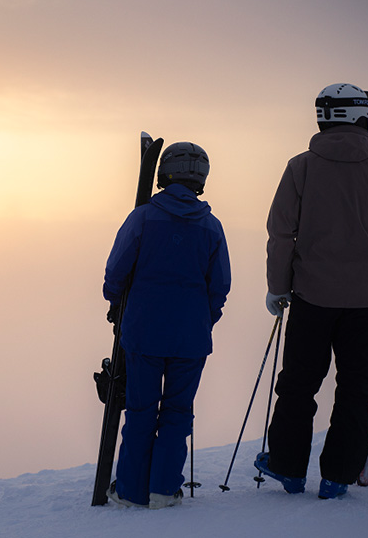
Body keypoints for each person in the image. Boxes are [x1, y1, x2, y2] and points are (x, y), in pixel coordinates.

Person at [255, 83, 368, 499]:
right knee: (355, 387)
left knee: (299, 383)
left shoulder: (301, 167)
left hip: (311, 297)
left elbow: (281, 235)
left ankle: (289, 469)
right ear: (360, 115)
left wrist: (278, 289)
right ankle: (337, 477)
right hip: (367, 300)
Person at [102, 141, 231, 509]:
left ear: (164, 173)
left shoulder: (142, 218)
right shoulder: (211, 226)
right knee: (177, 411)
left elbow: (116, 271)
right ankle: (162, 490)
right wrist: (203, 321)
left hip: (143, 332)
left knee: (141, 409)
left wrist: (115, 304)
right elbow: (219, 286)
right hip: (191, 338)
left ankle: (129, 490)